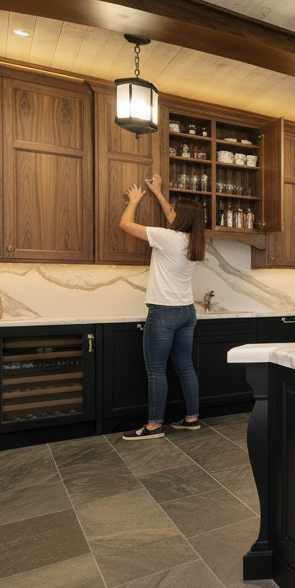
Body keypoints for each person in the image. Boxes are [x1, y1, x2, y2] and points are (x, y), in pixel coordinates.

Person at [119, 173, 206, 440]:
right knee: (185, 366)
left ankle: (154, 425)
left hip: (163, 312)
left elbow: (125, 224)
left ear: (180, 219)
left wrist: (134, 200)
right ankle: (192, 419)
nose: (171, 214)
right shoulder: (193, 241)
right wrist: (157, 192)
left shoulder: (166, 237)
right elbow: (172, 214)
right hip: (186, 312)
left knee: (155, 369)